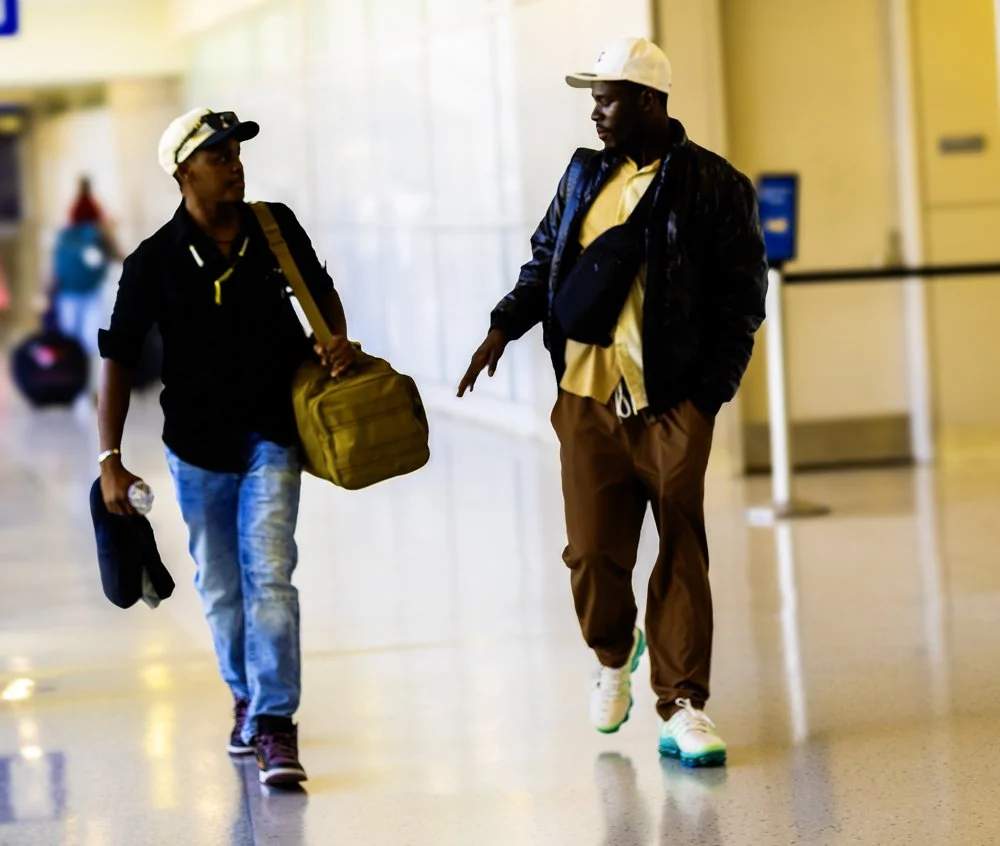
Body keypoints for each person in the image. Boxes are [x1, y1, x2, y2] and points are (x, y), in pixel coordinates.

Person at [458, 38, 767, 768]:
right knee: (593, 554)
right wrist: (504, 325)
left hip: (672, 402)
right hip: (587, 397)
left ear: (648, 101)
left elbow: (742, 299)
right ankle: (612, 651)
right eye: (593, 98)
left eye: (607, 97)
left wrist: (706, 397)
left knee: (681, 546)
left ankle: (684, 703)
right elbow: (546, 260)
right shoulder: (581, 174)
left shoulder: (715, 186)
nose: (595, 111)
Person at [97, 108, 356, 785]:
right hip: (195, 446)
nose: (234, 163)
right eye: (218, 155)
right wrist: (109, 460)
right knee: (220, 586)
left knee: (270, 575)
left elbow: (321, 291)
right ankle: (245, 694)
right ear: (183, 172)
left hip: (274, 433)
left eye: (237, 152)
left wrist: (335, 338)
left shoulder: (275, 227)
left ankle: (274, 723)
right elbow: (118, 358)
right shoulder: (152, 261)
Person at [52, 177, 120, 355]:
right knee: (91, 338)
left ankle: (74, 374)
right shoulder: (97, 217)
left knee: (70, 338)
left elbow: (55, 263)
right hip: (92, 288)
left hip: (67, 290)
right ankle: (87, 375)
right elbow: (114, 253)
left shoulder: (69, 224)